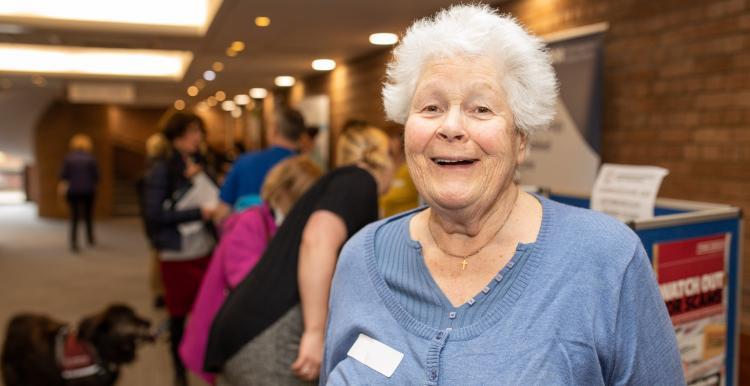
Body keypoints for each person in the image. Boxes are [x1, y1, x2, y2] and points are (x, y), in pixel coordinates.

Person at [322, 5, 684, 385]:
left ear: (520, 140)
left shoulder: (605, 259)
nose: (451, 127)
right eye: (431, 107)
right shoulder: (360, 258)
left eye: (481, 108)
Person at [204, 126, 394, 385]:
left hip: (250, 331)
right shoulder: (359, 180)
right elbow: (317, 239)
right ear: (386, 159)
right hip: (271, 334)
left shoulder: (341, 181)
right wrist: (315, 333)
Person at [179, 156, 322, 384]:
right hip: (227, 335)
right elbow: (247, 283)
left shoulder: (275, 222)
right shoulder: (250, 222)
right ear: (286, 193)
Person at [143, 112, 218, 386]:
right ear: (176, 137)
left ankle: (206, 364)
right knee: (177, 317)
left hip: (205, 251)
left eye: (199, 131)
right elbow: (154, 215)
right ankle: (178, 372)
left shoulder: (200, 162)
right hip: (177, 255)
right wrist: (198, 212)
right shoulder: (162, 168)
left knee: (209, 311)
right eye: (191, 132)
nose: (197, 137)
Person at [214, 107, 306, 219]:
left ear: (274, 130)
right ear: (301, 134)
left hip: (248, 234)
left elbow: (222, 212)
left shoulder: (245, 162)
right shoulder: (307, 171)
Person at [59, 133, 99, 252]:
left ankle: (73, 242)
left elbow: (63, 175)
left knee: (74, 216)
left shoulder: (68, 158)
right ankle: (90, 238)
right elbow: (97, 176)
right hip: (88, 190)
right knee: (88, 215)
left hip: (73, 190)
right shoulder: (91, 158)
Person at [379, 125, 419, 217]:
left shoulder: (411, 169)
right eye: (387, 138)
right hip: (385, 224)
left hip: (407, 223)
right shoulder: (383, 167)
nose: (389, 143)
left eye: (393, 138)